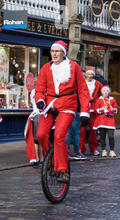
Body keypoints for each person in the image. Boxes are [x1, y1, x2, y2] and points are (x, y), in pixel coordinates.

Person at [35, 40, 90, 183]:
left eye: (57, 51)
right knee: (41, 134)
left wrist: (84, 111)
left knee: (59, 135)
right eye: (52, 51)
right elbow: (39, 89)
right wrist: (40, 100)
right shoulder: (46, 68)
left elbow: (83, 90)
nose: (54, 54)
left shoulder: (73, 67)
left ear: (63, 53)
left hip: (67, 104)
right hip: (50, 104)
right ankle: (50, 158)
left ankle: (63, 170)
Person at [80, 66, 102, 156]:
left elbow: (104, 92)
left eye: (91, 74)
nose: (90, 76)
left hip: (93, 109)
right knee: (82, 130)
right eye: (88, 74)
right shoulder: (81, 83)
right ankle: (81, 149)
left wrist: (96, 99)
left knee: (93, 130)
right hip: (83, 109)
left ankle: (94, 149)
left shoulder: (97, 83)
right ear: (85, 74)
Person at [93, 86, 118, 157]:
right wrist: (101, 109)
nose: (105, 92)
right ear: (102, 92)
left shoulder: (112, 100)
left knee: (111, 136)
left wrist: (113, 109)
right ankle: (103, 150)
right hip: (101, 119)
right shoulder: (99, 100)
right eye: (104, 91)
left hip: (110, 119)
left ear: (109, 92)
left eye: (107, 91)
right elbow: (96, 110)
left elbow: (116, 109)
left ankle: (112, 150)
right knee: (102, 137)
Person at [24, 89, 43, 166]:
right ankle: (40, 158)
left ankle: (37, 158)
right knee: (39, 139)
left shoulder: (33, 91)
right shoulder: (41, 91)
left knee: (36, 139)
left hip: (35, 116)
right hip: (40, 115)